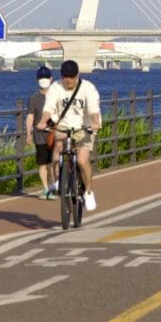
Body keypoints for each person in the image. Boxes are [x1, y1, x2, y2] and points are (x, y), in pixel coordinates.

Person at [37, 60, 102, 211]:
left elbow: (93, 109)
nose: (68, 80)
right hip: (63, 127)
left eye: (71, 76)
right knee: (55, 155)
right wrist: (42, 122)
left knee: (81, 160)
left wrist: (95, 123)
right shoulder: (55, 88)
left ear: (77, 75)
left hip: (84, 127)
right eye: (65, 76)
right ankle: (59, 180)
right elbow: (48, 107)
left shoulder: (88, 88)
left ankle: (88, 192)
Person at [25, 66, 57, 200]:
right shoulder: (34, 98)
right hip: (39, 134)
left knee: (55, 161)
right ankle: (46, 189)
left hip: (55, 132)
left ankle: (55, 186)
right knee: (43, 163)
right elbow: (30, 116)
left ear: (51, 79)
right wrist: (28, 133)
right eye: (41, 78)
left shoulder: (57, 96)